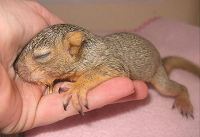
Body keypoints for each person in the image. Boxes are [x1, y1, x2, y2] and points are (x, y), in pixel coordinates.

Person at [0, 0, 148, 134]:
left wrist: (82, 84)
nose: (19, 68)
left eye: (43, 56)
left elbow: (118, 69)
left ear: (72, 48)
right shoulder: (72, 65)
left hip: (150, 67)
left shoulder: (97, 56)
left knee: (165, 86)